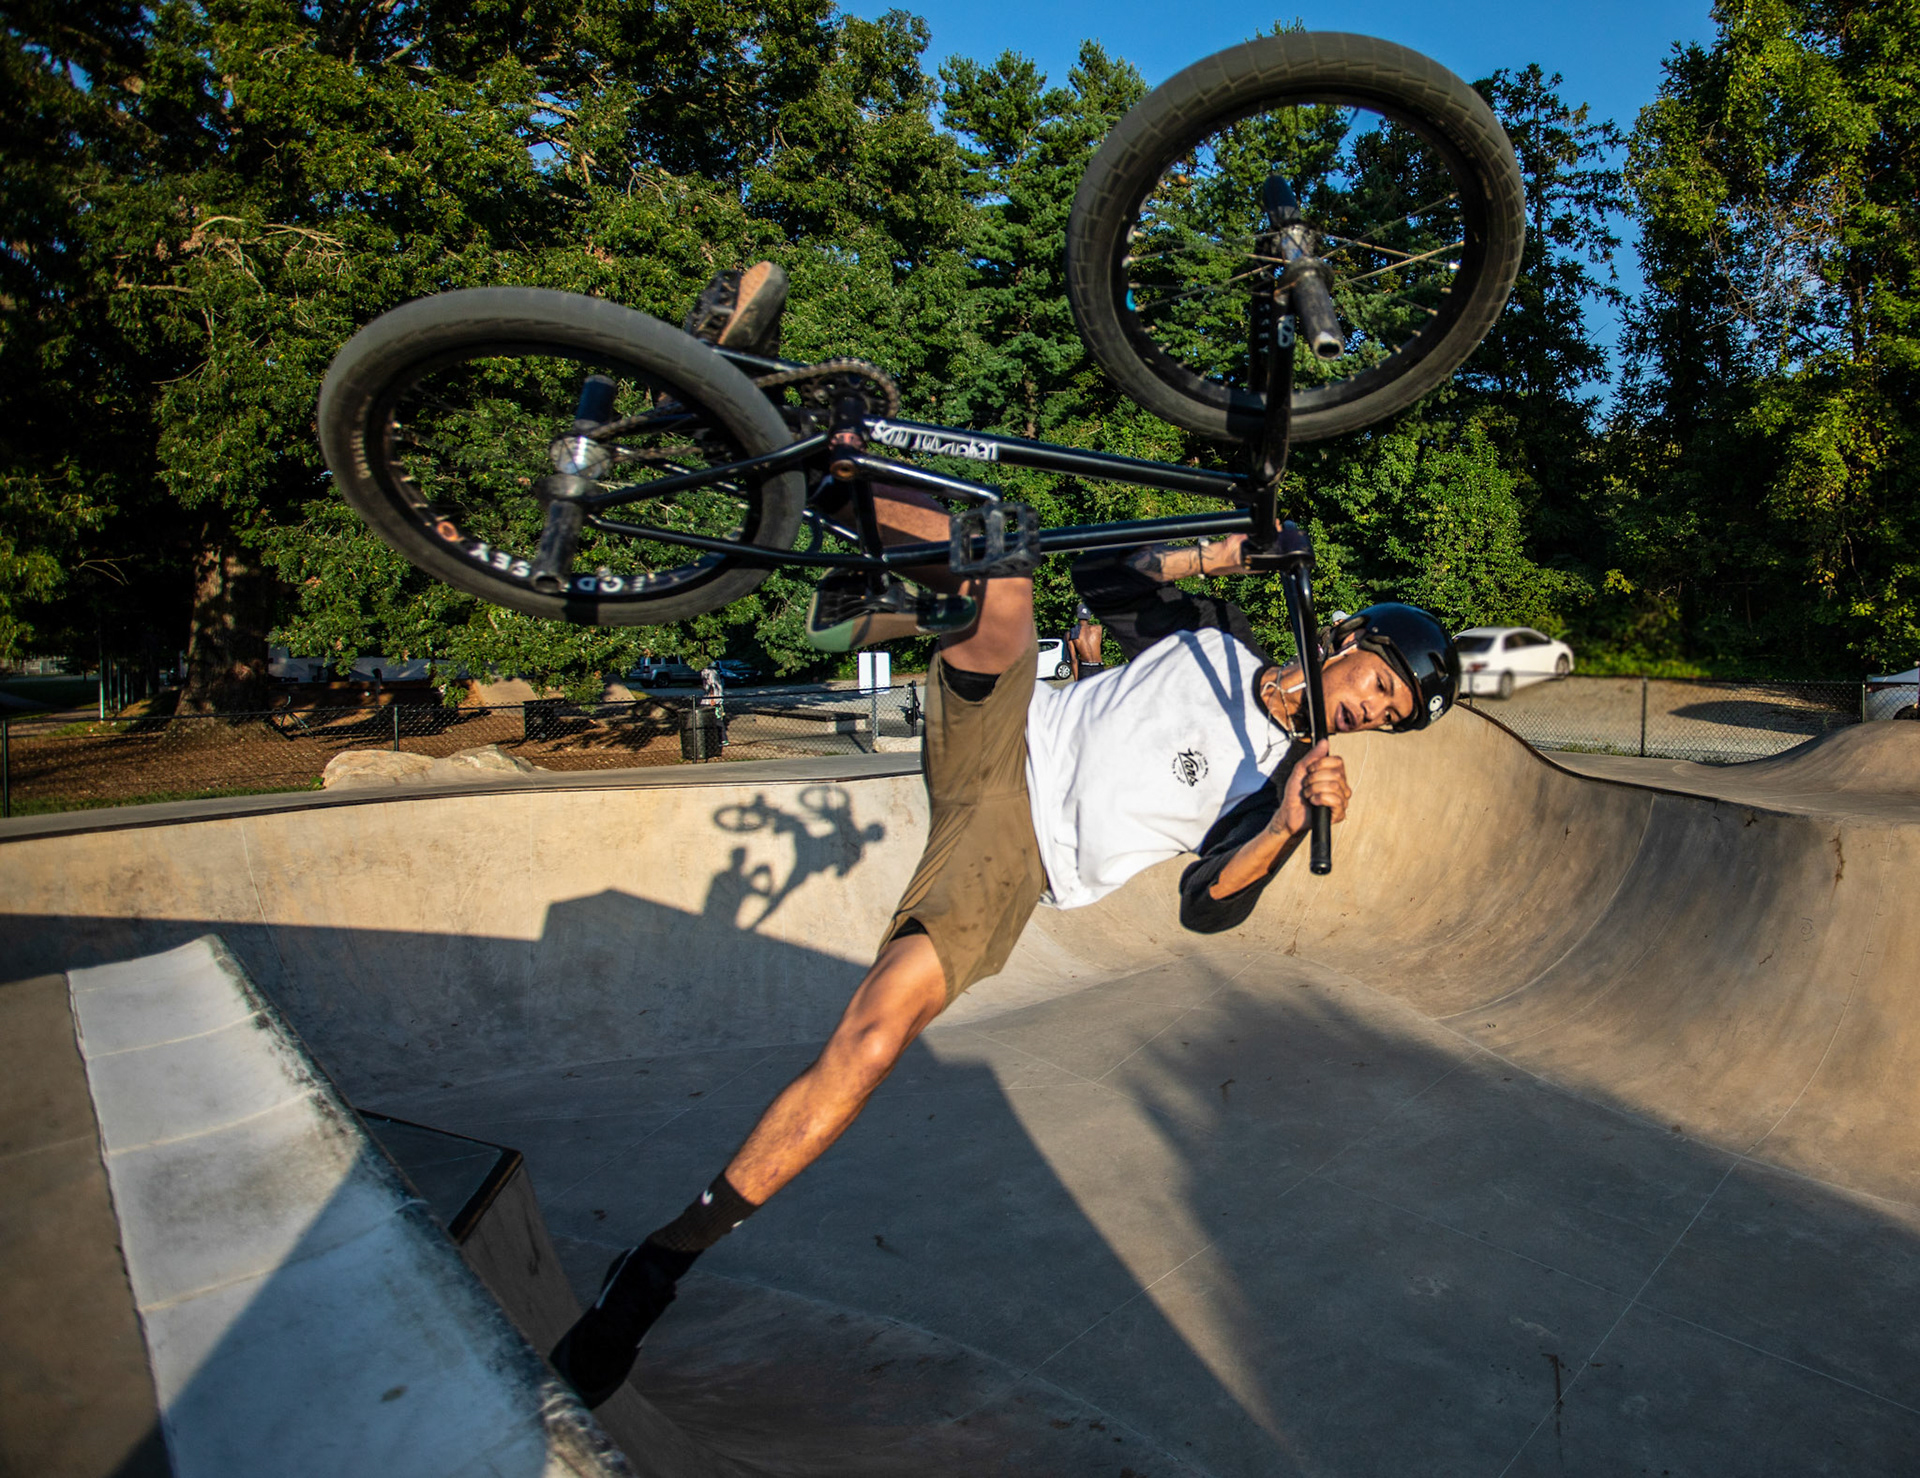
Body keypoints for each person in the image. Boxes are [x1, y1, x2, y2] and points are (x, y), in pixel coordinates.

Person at [547, 268, 1464, 1408]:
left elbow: (1210, 900)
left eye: (1388, 719)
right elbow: (1116, 570)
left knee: (875, 1036)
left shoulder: (1277, 779)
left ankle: (659, 1266)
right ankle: (755, 416)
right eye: (1378, 687)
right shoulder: (1218, 640)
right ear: (1348, 640)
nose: (1372, 713)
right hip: (1005, 725)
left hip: (1014, 857)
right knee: (1005, 562)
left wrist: (1283, 821)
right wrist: (1222, 555)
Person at [1068, 602, 1106, 680]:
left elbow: (1074, 659)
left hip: (1084, 668)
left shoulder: (1071, 633)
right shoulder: (1098, 629)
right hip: (1098, 667)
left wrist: (1076, 680)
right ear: (1089, 617)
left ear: (1077, 616)